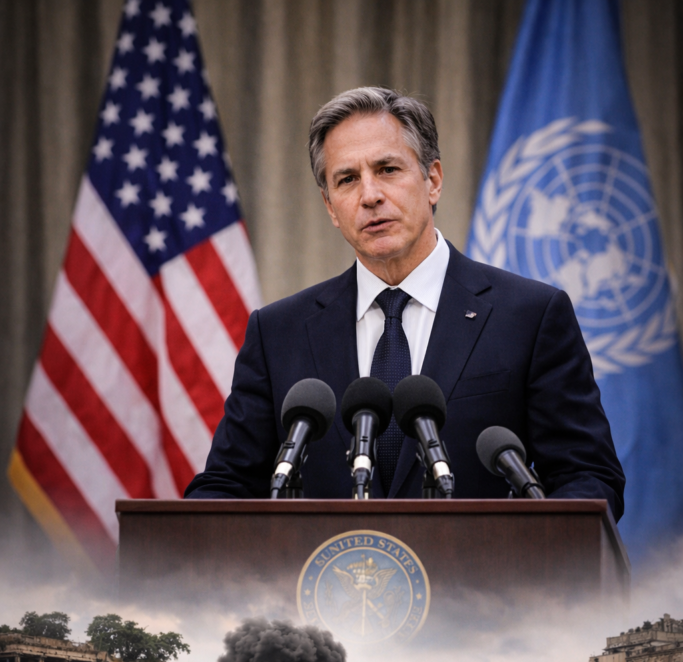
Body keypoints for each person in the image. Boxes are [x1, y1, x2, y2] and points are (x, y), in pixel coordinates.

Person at [185, 87, 625, 514]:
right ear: (330, 207)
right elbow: (225, 485)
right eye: (347, 179)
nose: (370, 195)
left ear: (432, 180)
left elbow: (587, 475)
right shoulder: (278, 333)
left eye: (388, 169)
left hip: (482, 583)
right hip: (320, 585)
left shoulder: (529, 315)